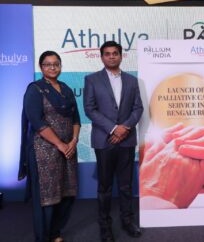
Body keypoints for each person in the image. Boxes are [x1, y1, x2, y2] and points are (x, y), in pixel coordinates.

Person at [83, 41, 143, 241]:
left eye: (115, 53)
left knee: (126, 186)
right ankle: (105, 226)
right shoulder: (92, 80)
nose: (111, 57)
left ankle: (128, 221)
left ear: (121, 56)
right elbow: (90, 109)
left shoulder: (132, 81)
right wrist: (112, 128)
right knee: (105, 187)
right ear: (102, 57)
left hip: (126, 140)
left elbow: (138, 108)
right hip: (104, 140)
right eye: (107, 54)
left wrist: (124, 128)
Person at [18, 51, 81, 242]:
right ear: (41, 67)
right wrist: (60, 144)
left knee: (67, 194)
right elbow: (37, 122)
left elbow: (76, 119)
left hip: (68, 150)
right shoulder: (35, 90)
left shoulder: (67, 89)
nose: (52, 67)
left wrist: (73, 141)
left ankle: (55, 232)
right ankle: (43, 237)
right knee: (47, 198)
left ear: (61, 66)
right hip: (43, 152)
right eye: (48, 64)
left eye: (56, 64)